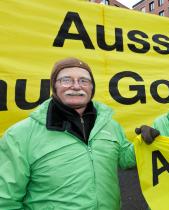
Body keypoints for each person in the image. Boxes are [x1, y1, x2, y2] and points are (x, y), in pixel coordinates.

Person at [0, 57, 140, 209]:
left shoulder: (110, 125)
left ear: (92, 88)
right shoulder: (20, 134)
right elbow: (5, 200)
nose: (75, 86)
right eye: (66, 80)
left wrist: (144, 142)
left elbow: (125, 159)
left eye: (83, 81)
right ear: (54, 85)